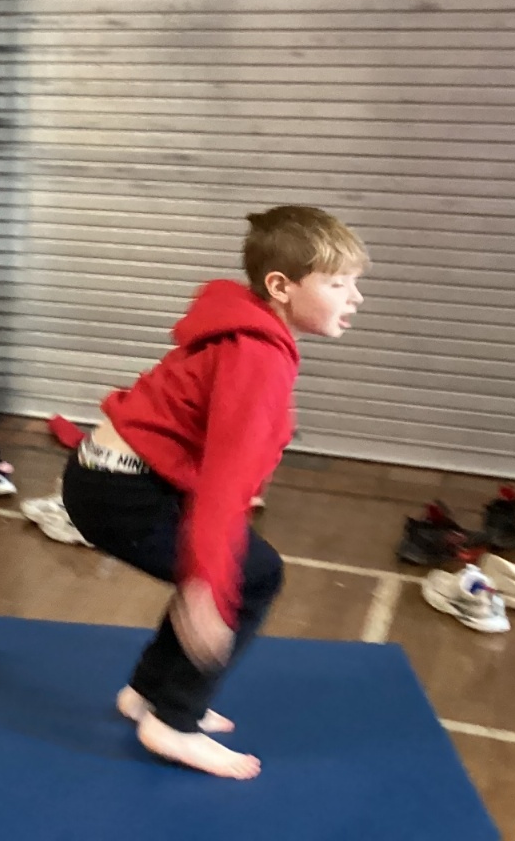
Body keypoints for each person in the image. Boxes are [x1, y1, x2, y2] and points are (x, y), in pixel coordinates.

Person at [61, 205, 368, 780]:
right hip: (119, 490)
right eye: (337, 284)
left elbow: (218, 434)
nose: (355, 298)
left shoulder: (247, 328)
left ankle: (148, 694)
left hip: (113, 476)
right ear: (281, 286)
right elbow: (226, 475)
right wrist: (209, 582)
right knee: (251, 578)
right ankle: (172, 722)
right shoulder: (259, 354)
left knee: (233, 570)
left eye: (354, 283)